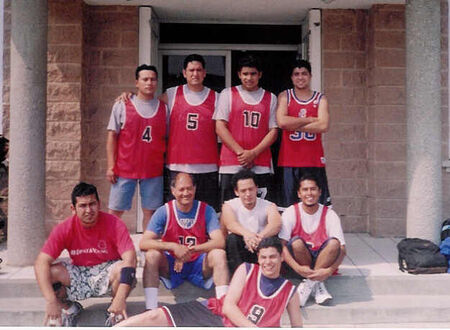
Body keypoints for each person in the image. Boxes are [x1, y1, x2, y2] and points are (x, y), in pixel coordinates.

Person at [115, 236, 302, 327]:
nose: (268, 262)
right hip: (214, 314)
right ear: (258, 259)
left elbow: (297, 326)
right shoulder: (247, 269)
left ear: (282, 258)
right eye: (263, 258)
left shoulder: (289, 291)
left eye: (272, 257)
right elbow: (228, 307)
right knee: (154, 317)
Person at [34, 182, 137, 327]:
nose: (88, 210)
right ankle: (70, 310)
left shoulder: (114, 223)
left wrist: (121, 298)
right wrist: (51, 300)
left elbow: (130, 258)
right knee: (49, 271)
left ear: (99, 204)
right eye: (82, 205)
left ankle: (114, 312)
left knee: (124, 269)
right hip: (79, 272)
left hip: (107, 271)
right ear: (73, 208)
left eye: (92, 204)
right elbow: (40, 262)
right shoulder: (64, 228)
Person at [139, 172, 229, 311]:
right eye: (181, 189)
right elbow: (144, 243)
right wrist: (173, 247)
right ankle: (151, 309)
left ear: (195, 189)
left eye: (189, 188)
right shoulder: (164, 211)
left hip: (198, 264)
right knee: (152, 255)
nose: (185, 193)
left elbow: (219, 241)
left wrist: (191, 250)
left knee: (219, 254)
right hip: (172, 265)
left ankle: (224, 307)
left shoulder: (206, 210)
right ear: (173, 190)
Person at [106, 64, 166, 230]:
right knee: (115, 211)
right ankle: (112, 247)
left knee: (151, 213)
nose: (149, 83)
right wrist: (111, 166)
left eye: (153, 79)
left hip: (152, 169)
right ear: (136, 82)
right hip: (125, 168)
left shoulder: (163, 108)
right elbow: (112, 136)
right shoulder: (122, 104)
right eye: (145, 79)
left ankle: (148, 249)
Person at [214, 54, 278, 204]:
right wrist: (241, 153)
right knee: (229, 210)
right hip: (231, 163)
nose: (249, 78)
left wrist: (254, 153)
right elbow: (220, 126)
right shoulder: (228, 94)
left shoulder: (270, 98)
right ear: (239, 74)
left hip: (260, 163)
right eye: (245, 74)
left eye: (253, 74)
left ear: (260, 74)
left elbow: (273, 131)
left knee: (260, 210)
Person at [160, 54, 220, 211]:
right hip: (178, 164)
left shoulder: (216, 97)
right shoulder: (172, 94)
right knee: (177, 210)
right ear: (184, 72)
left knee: (207, 210)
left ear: (205, 73)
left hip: (207, 165)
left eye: (199, 70)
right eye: (191, 70)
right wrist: (130, 96)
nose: (195, 74)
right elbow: (148, 105)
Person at [279, 174, 346, 307]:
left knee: (334, 243)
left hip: (323, 263)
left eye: (313, 189)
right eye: (305, 189)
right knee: (296, 243)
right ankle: (317, 285)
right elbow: (281, 245)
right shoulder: (291, 212)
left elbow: (342, 249)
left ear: (320, 192)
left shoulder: (329, 214)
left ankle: (311, 284)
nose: (309, 193)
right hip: (299, 264)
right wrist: (297, 267)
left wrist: (329, 270)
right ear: (299, 193)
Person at [276, 59, 331, 208]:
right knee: (288, 208)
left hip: (313, 161)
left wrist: (293, 124)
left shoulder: (320, 98)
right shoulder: (284, 96)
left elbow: (323, 125)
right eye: (296, 74)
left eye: (304, 74)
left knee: (316, 206)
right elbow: (282, 122)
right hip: (289, 161)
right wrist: (308, 120)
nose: (300, 77)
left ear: (310, 76)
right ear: (292, 77)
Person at [220, 169, 281, 273]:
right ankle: (239, 277)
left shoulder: (269, 205)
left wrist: (259, 237)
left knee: (273, 240)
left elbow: (276, 225)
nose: (248, 194)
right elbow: (231, 224)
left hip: (261, 246)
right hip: (240, 249)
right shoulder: (229, 205)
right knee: (232, 238)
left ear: (256, 188)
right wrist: (248, 235)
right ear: (236, 192)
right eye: (243, 191)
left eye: (251, 189)